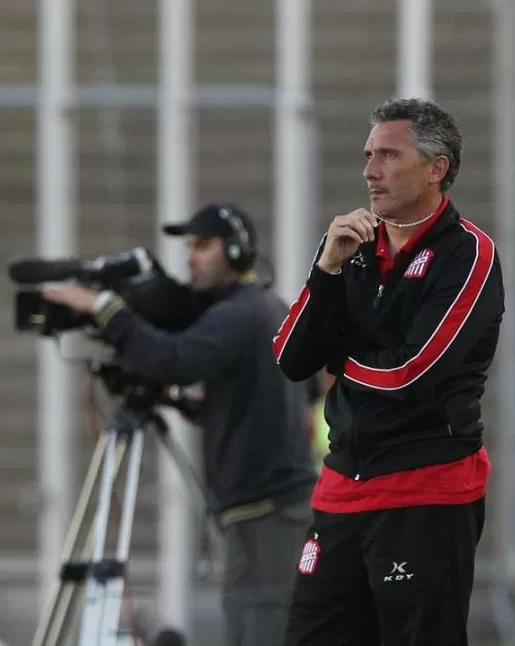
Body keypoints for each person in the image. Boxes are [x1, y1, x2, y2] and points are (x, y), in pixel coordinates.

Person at [272, 97, 504, 646]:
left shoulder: (469, 252)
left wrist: (342, 361)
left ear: (436, 168)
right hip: (341, 488)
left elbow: (413, 372)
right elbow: (290, 357)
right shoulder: (350, 248)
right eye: (368, 154)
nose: (369, 170)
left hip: (426, 490)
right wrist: (325, 270)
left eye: (388, 155)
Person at [42, 203, 317, 646]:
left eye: (203, 245)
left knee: (258, 634)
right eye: (188, 246)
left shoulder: (238, 315)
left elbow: (171, 359)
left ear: (235, 250)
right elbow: (290, 394)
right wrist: (207, 410)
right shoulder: (265, 306)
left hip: (267, 516)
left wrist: (105, 308)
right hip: (274, 512)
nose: (190, 256)